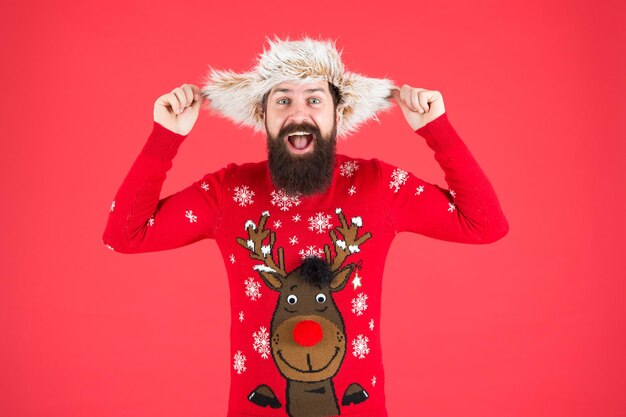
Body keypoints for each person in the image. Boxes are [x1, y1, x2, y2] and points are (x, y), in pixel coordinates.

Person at [103, 36, 508, 417]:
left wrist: (436, 131)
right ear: (263, 115)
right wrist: (165, 138)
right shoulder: (229, 191)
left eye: (314, 99)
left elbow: (484, 224)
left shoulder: (377, 186)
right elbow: (124, 235)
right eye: (283, 100)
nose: (299, 114)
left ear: (338, 112)